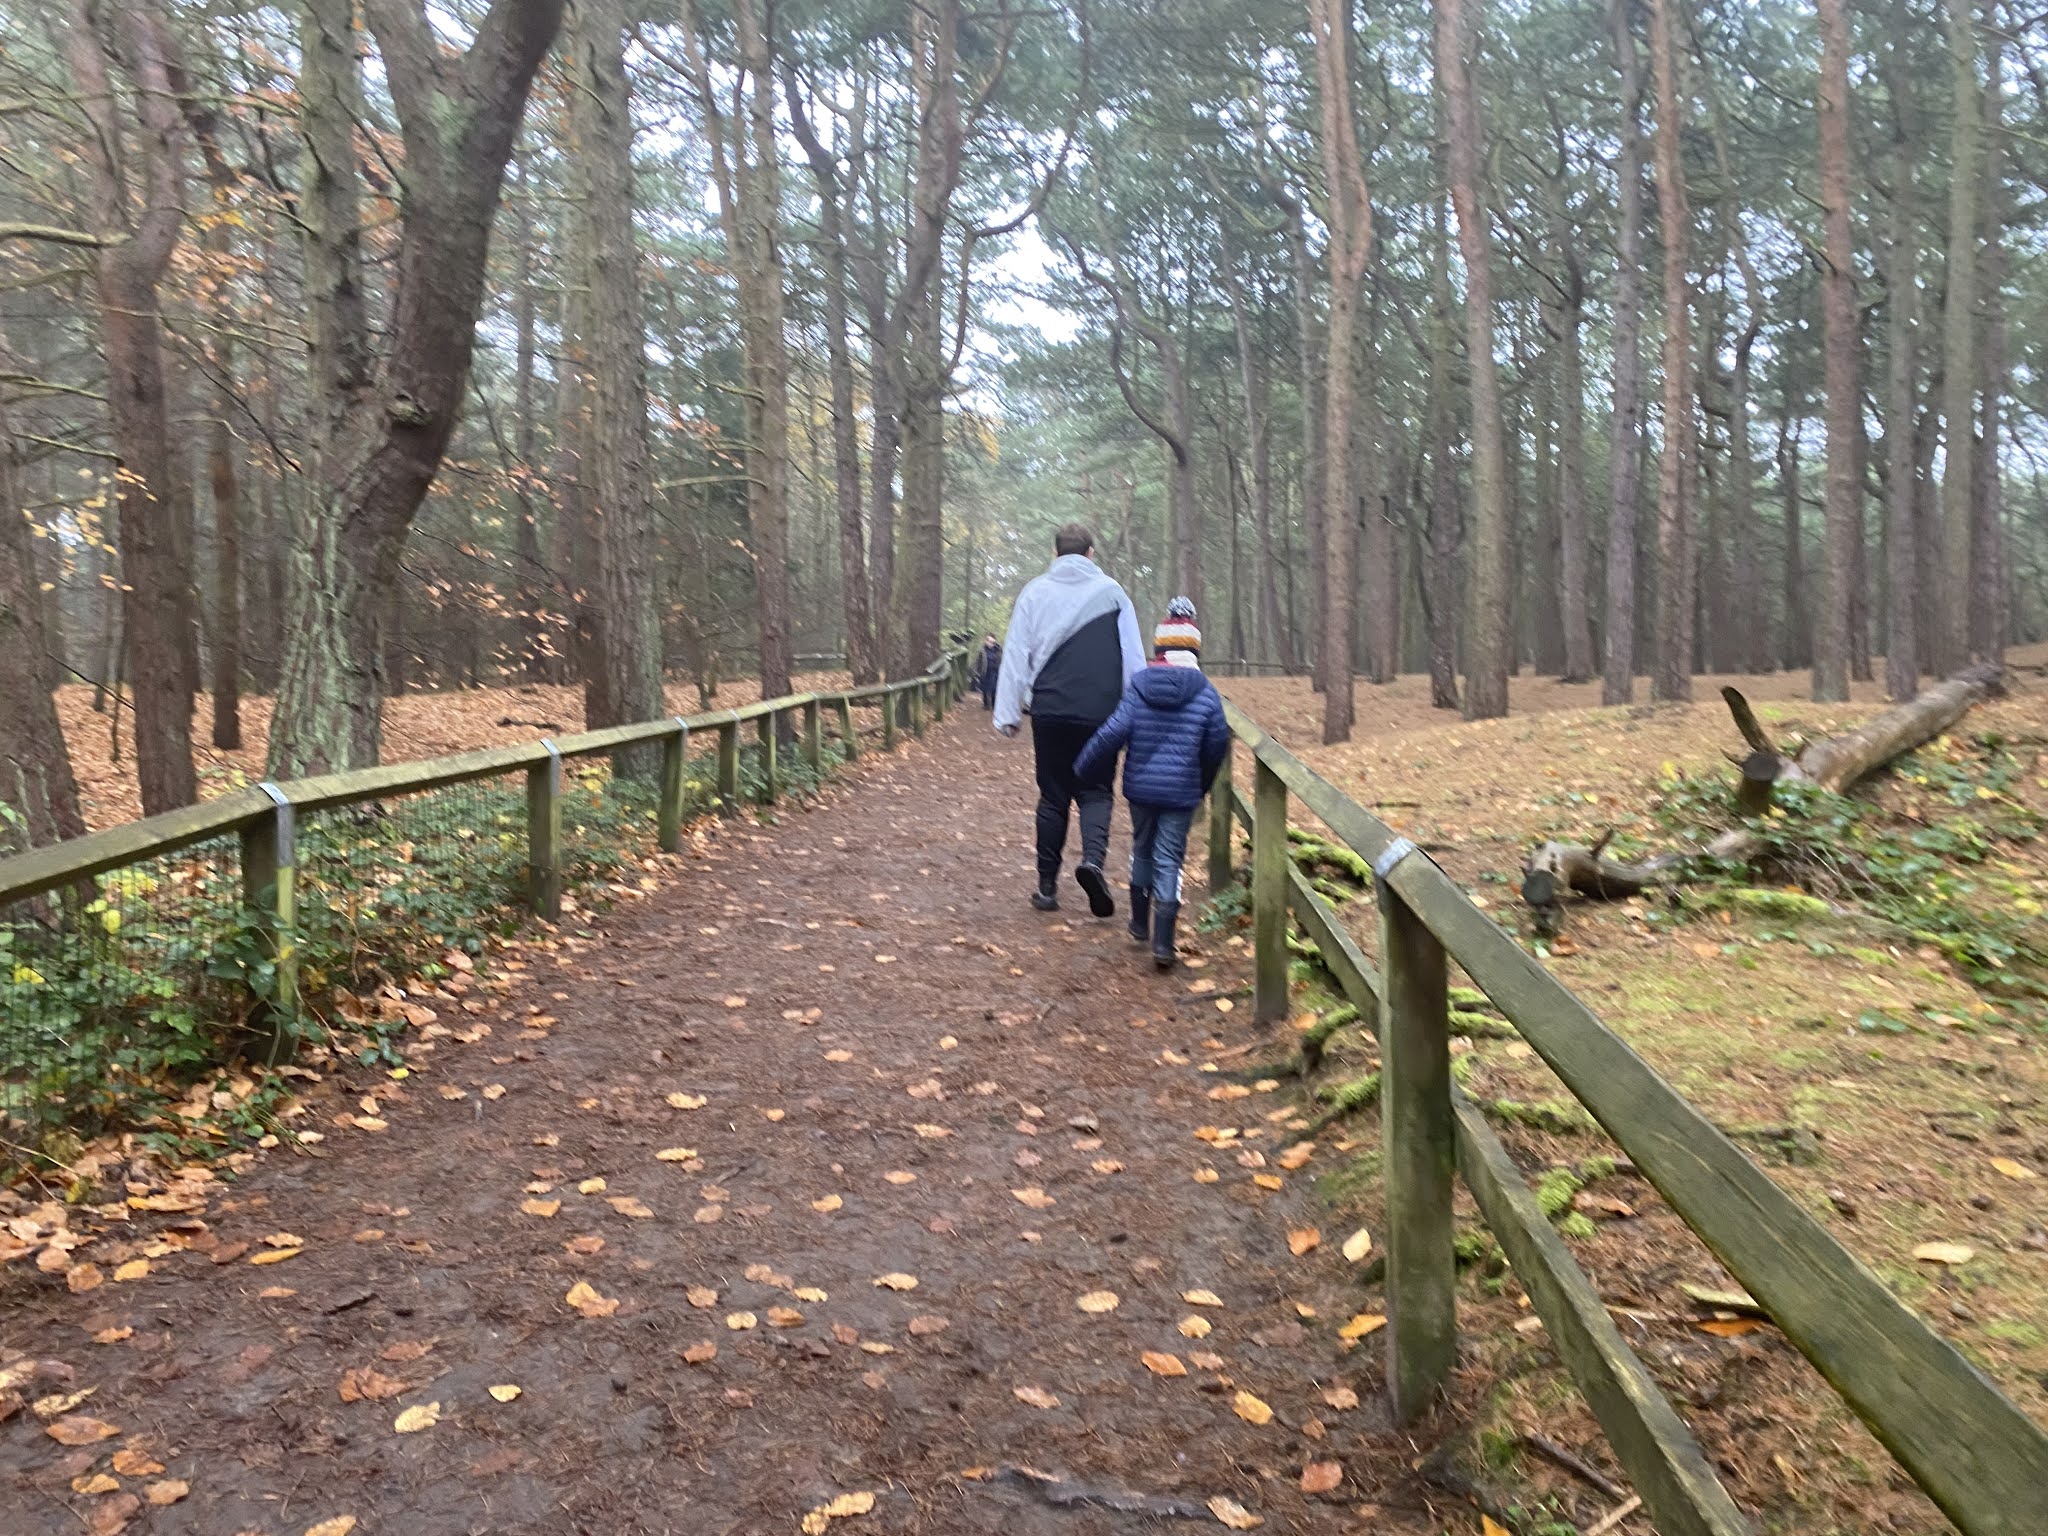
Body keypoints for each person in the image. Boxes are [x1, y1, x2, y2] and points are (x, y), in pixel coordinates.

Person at [993, 524, 1146, 914]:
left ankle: (1046, 888)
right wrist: (1137, 715)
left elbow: (1015, 654)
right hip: (1101, 711)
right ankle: (1092, 861)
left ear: (1056, 552)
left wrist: (1008, 713)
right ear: (1091, 553)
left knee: (1053, 795)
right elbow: (1132, 656)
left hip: (1050, 711)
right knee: (1096, 790)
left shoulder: (1035, 592)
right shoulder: (1113, 594)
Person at [1073, 598, 1229, 969]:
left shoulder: (1140, 686)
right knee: (1169, 858)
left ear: (1159, 647)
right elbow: (1217, 744)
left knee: (1142, 848)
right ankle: (1164, 942)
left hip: (1141, 789)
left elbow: (1112, 732)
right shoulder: (1206, 694)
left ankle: (1139, 923)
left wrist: (1082, 766)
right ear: (1195, 650)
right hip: (1181, 793)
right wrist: (1201, 786)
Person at [974, 633, 1003, 710]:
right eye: (989, 641)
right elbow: (978, 661)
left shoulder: (999, 650)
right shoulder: (982, 651)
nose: (991, 644)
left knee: (994, 688)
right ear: (986, 641)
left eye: (992, 642)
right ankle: (986, 704)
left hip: (995, 672)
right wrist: (976, 672)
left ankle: (994, 704)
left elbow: (1002, 660)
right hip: (985, 672)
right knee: (985, 688)